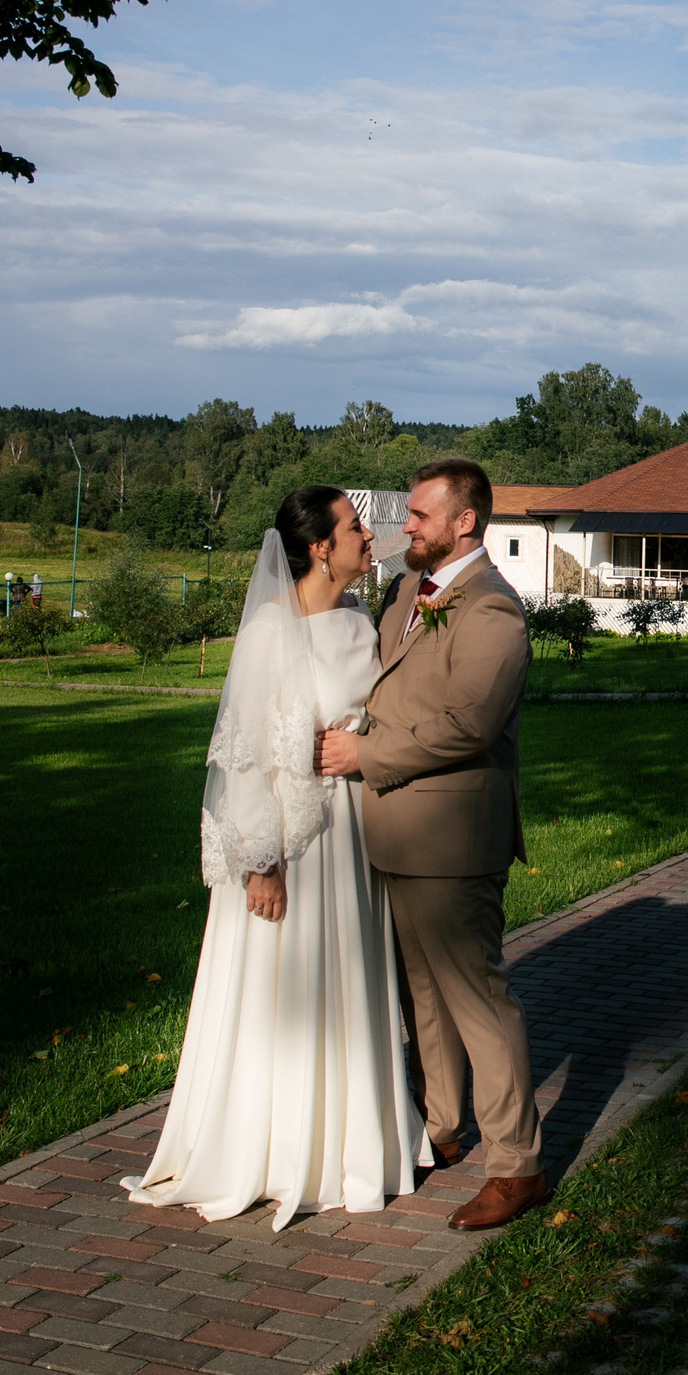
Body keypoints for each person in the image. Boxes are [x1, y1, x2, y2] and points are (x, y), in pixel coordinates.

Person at [124, 487, 425, 1226]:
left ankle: (348, 1141)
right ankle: (274, 1146)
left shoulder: (359, 617)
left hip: (351, 827)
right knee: (282, 985)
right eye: (355, 527)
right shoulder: (269, 631)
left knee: (346, 973)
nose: (369, 536)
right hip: (292, 840)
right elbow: (246, 754)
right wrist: (260, 862)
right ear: (320, 547)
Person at [328, 459, 542, 1232]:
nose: (406, 525)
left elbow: (468, 725)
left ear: (464, 522)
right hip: (393, 832)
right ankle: (443, 1128)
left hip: (454, 839)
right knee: (421, 993)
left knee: (477, 999)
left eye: (420, 515)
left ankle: (517, 1165)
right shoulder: (405, 593)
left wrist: (366, 755)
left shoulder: (493, 610)